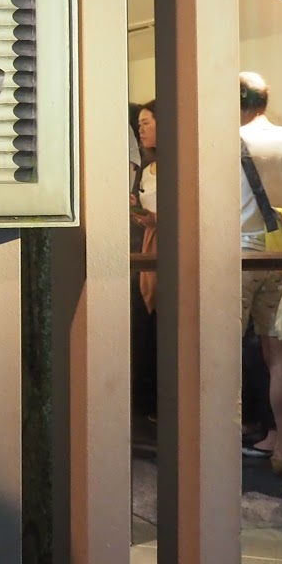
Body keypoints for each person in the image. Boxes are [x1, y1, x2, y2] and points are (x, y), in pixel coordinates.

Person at [237, 71, 282, 475]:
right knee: (280, 355)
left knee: (220, 351)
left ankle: (214, 443)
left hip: (240, 254)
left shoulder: (232, 140)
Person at [129, 100, 158, 420]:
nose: (141, 129)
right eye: (139, 124)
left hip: (168, 246)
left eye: (147, 122)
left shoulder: (181, 165)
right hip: (148, 245)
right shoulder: (147, 170)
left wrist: (154, 219)